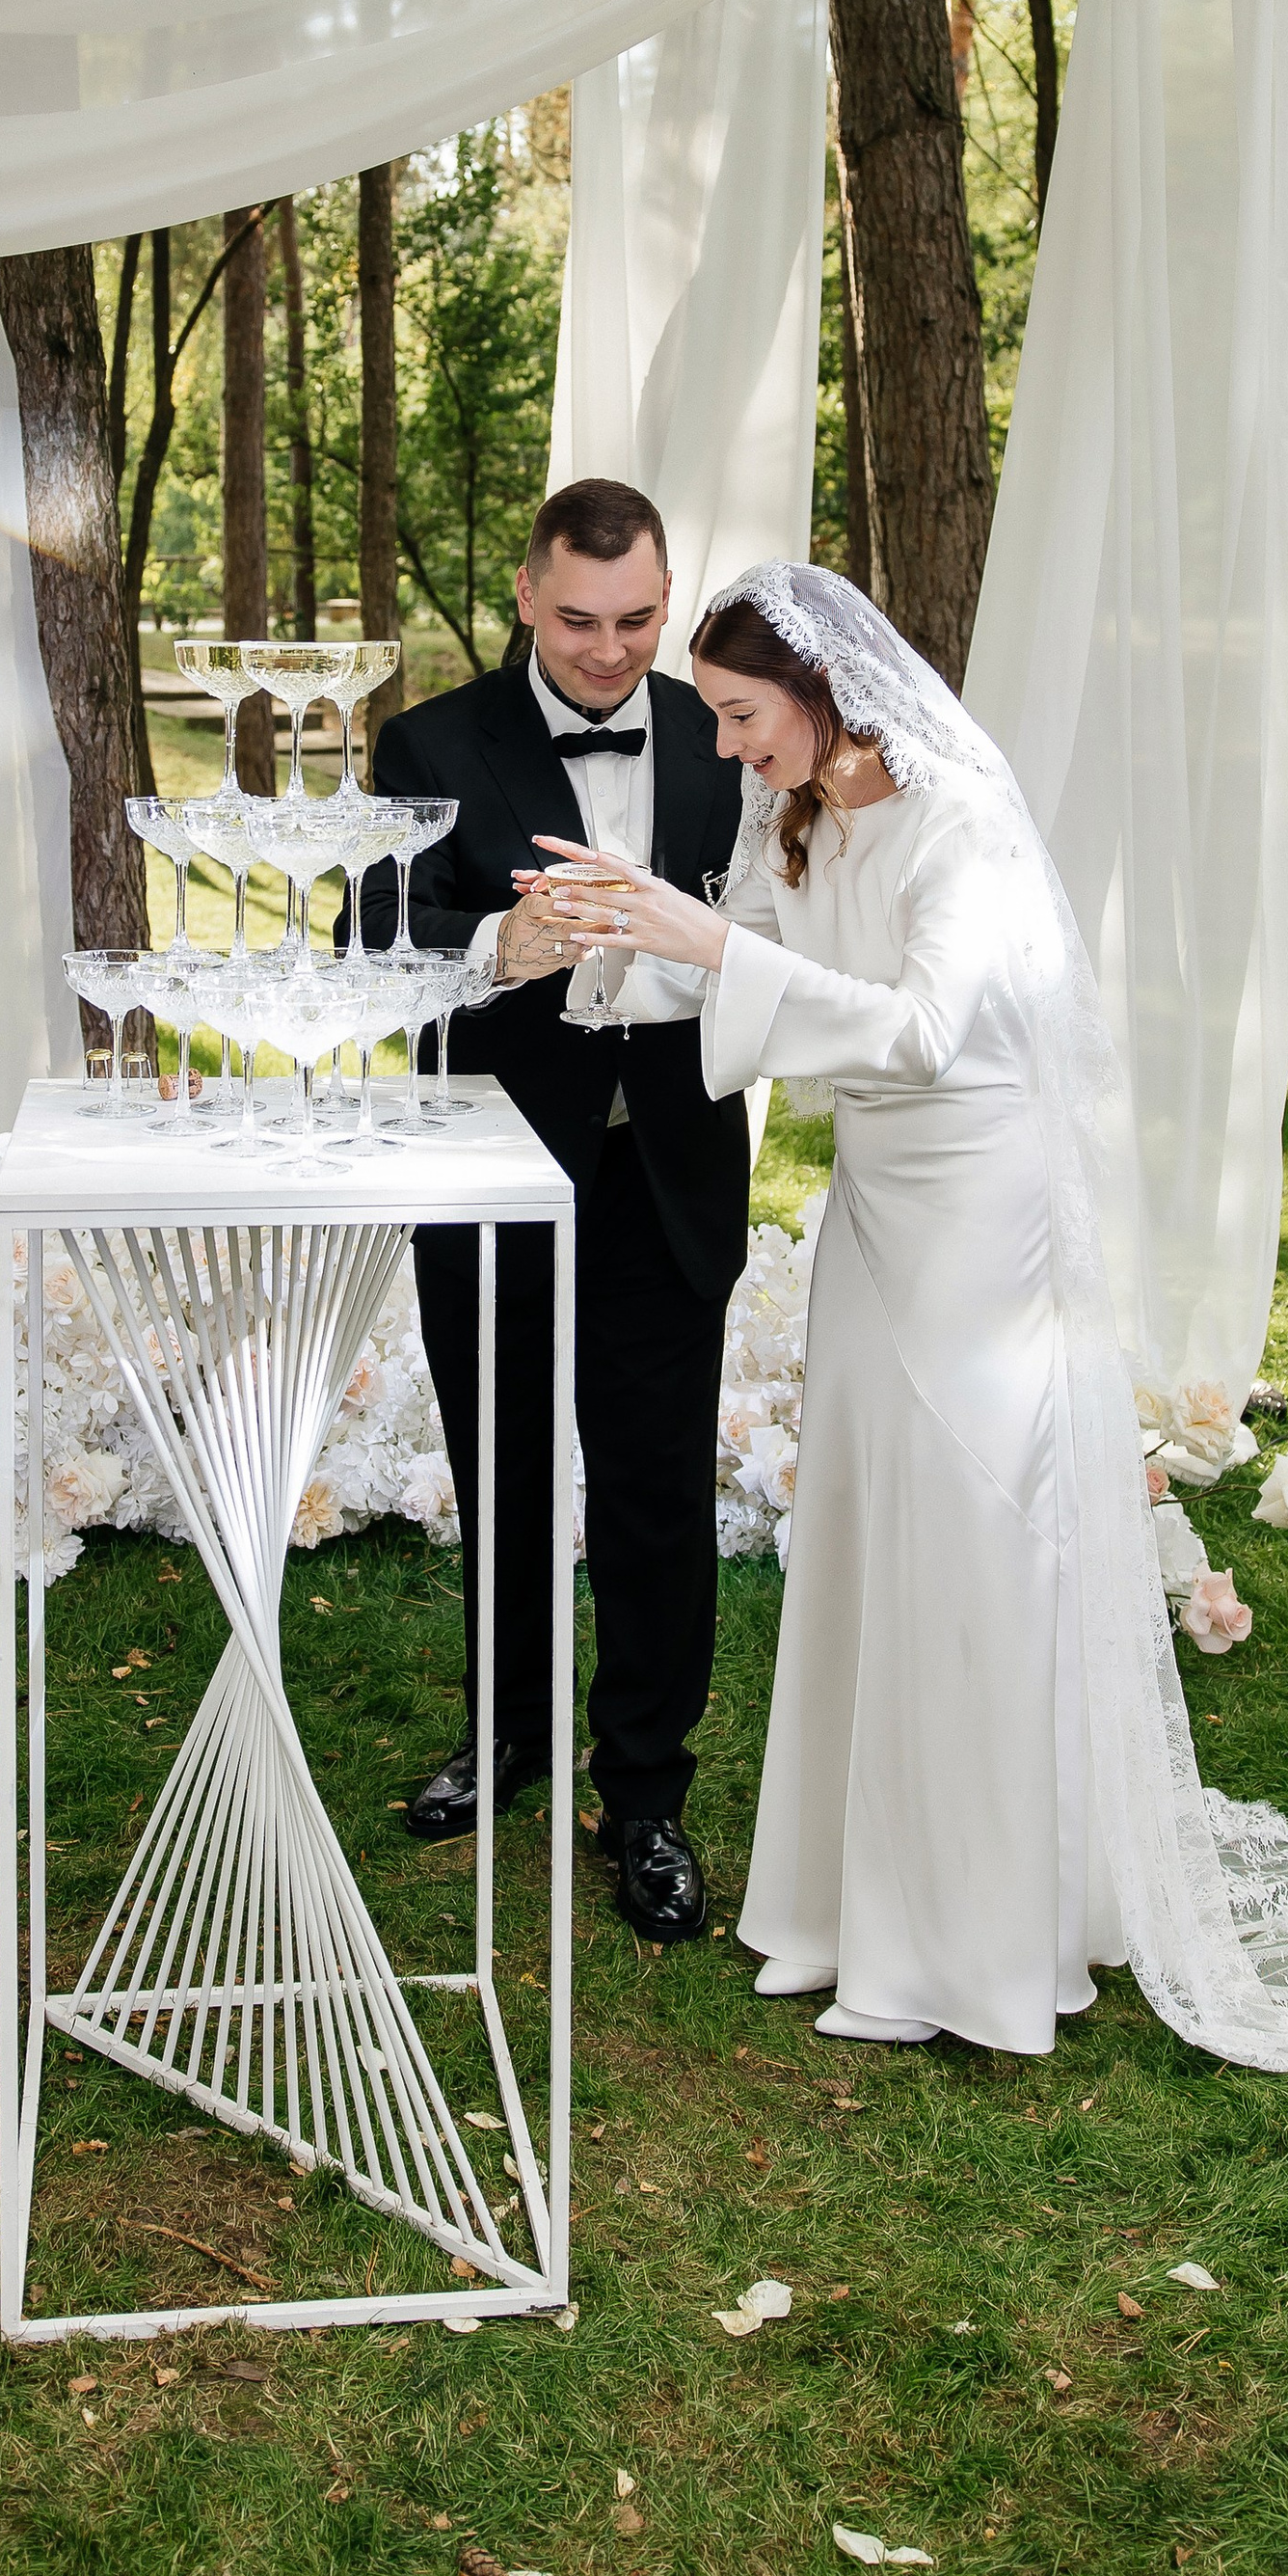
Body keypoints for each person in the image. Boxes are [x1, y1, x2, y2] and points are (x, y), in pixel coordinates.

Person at [538, 560, 1288, 2084]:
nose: (733, 750)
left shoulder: (960, 821)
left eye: (747, 719)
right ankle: (845, 1910)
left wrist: (709, 946)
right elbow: (752, 968)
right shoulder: (802, 807)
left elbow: (926, 1025)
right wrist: (622, 930)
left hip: (983, 1218)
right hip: (882, 1211)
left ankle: (976, 1938)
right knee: (878, 1522)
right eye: (724, 722)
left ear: (824, 695)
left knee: (969, 1532)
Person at [363, 477, 748, 1941]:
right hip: (492, 1166)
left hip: (671, 1170)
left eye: (638, 618)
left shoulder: (730, 739)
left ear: (668, 599)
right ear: (526, 595)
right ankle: (510, 1736)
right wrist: (491, 939)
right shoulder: (433, 742)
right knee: (506, 1470)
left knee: (656, 1500)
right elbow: (370, 931)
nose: (608, 649)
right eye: (579, 619)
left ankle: (646, 1795)